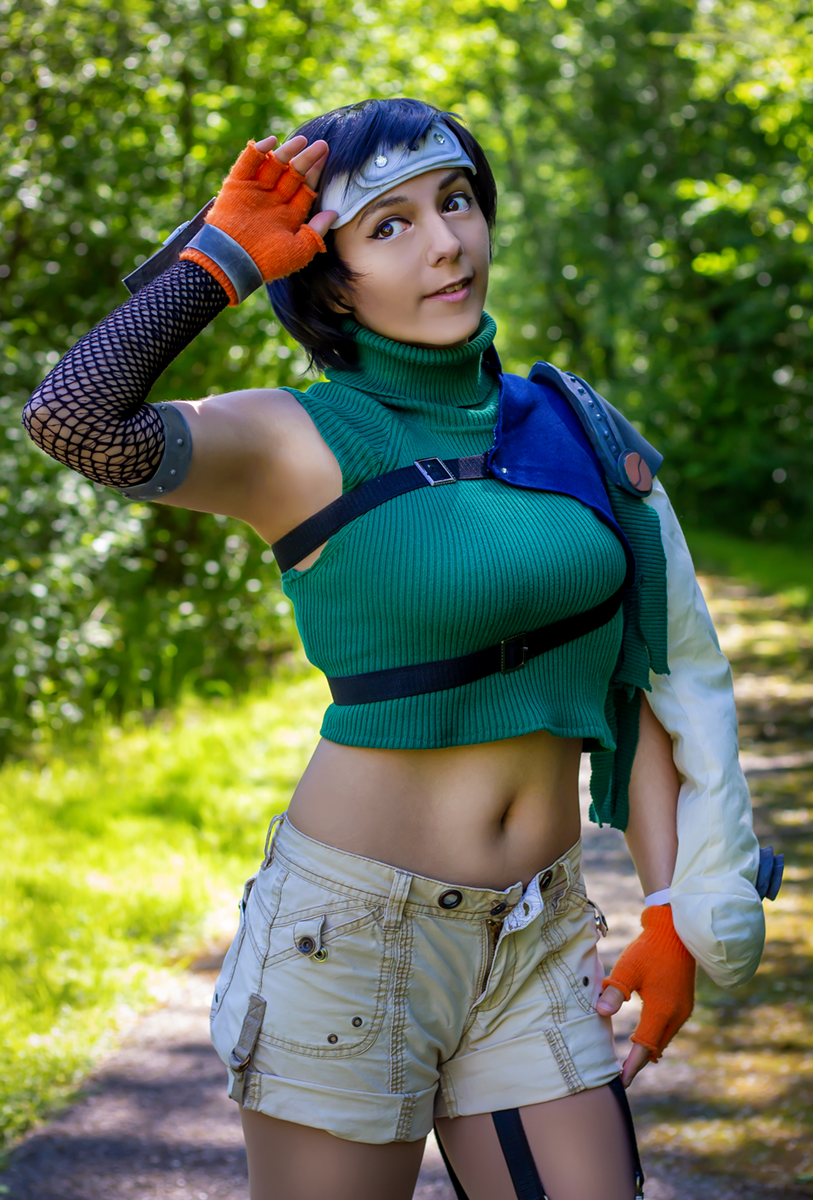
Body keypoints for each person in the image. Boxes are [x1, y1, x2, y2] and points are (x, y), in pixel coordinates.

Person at [23, 97, 769, 1200]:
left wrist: (670, 912)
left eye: (456, 201)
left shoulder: (569, 424)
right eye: (389, 225)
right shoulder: (294, 438)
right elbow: (73, 418)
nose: (445, 243)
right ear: (330, 279)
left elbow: (643, 678)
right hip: (350, 938)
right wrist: (219, 261)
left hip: (536, 934)